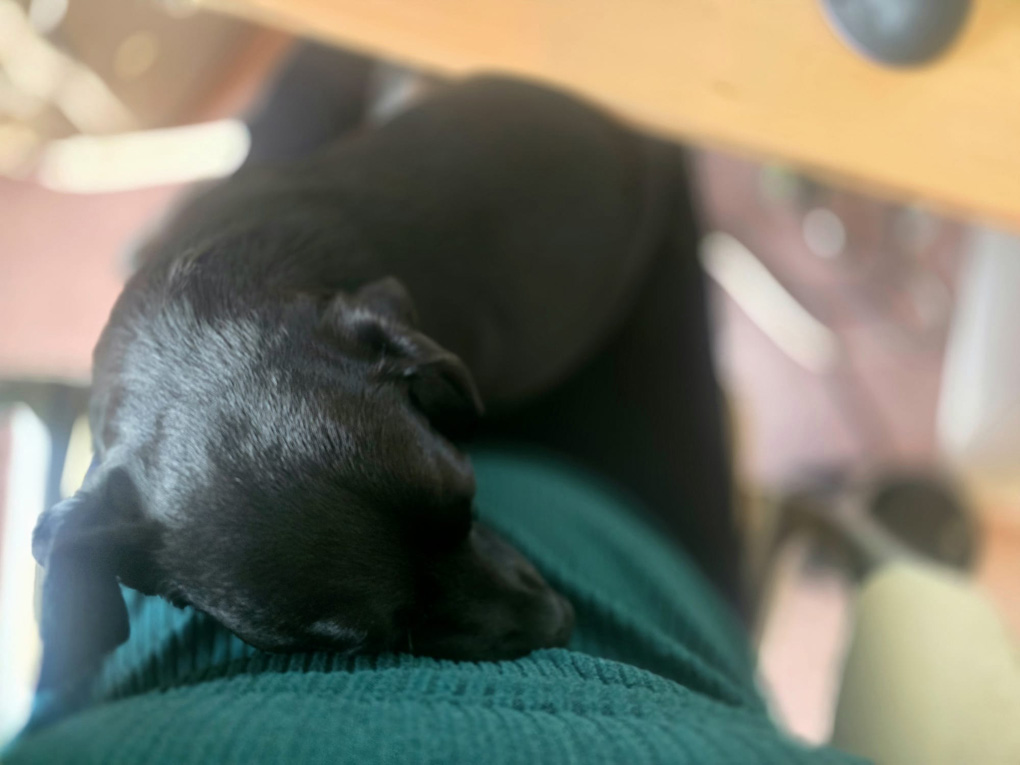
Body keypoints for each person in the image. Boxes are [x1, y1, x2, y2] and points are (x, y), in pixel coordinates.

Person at [4, 44, 864, 764]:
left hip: (376, 298)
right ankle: (328, 70)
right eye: (386, 626)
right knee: (638, 147)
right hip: (595, 492)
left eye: (457, 508)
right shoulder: (126, 536)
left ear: (398, 342)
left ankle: (333, 62)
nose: (539, 611)